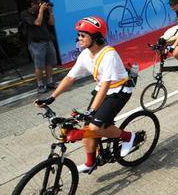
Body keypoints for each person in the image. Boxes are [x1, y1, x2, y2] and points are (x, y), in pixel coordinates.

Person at [35, 16, 136, 173]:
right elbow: (70, 78)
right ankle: (90, 162)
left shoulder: (109, 54)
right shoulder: (85, 55)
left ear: (95, 38)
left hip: (119, 90)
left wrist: (92, 111)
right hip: (102, 89)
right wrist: (51, 97)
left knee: (94, 127)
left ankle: (129, 137)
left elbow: (106, 85)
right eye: (79, 35)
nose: (79, 38)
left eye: (83, 35)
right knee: (87, 127)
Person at [20, 0, 58, 93]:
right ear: (32, 4)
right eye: (37, 3)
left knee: (49, 62)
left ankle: (50, 82)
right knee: (39, 65)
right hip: (36, 43)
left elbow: (51, 23)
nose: (39, 5)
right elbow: (37, 23)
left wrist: (50, 12)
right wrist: (41, 11)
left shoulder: (42, 12)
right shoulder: (25, 14)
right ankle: (40, 85)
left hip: (47, 40)